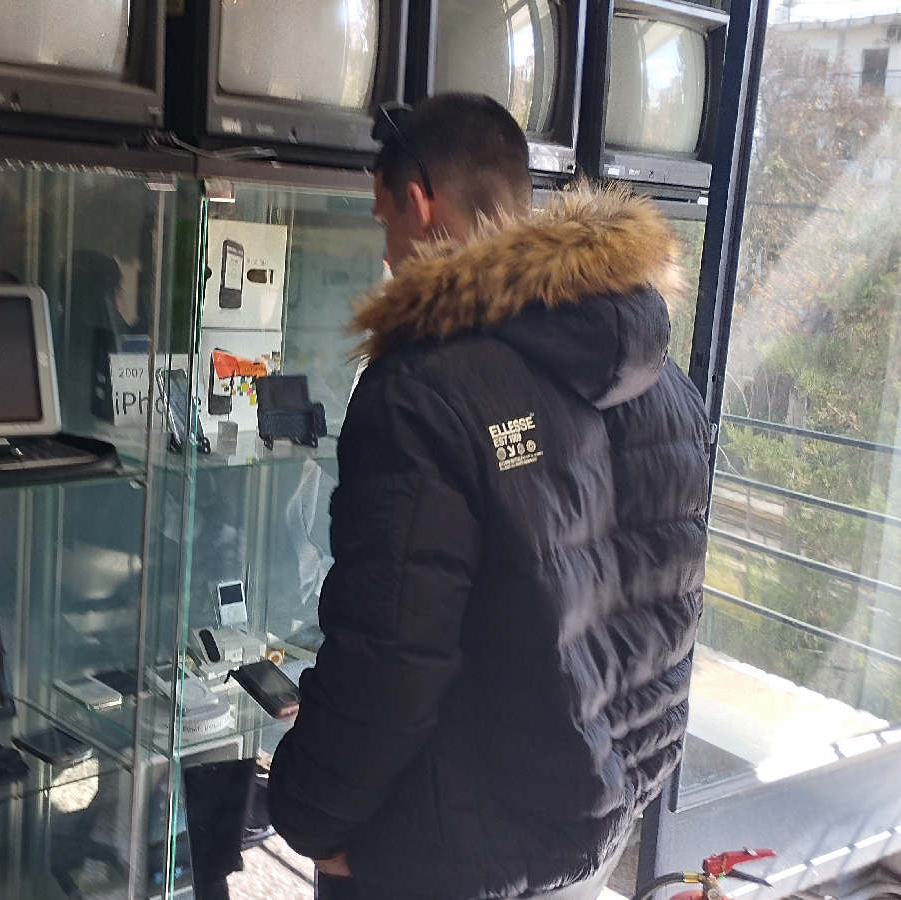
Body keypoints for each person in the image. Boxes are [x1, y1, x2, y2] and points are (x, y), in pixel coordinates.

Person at [266, 93, 712, 899]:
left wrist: (312, 817)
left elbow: (391, 658)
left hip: (443, 858)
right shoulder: (669, 386)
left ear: (419, 201)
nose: (388, 253)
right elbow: (666, 618)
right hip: (592, 824)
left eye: (385, 223)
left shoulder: (421, 389)